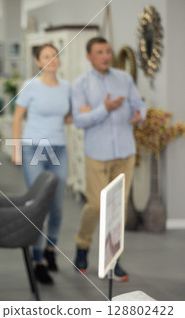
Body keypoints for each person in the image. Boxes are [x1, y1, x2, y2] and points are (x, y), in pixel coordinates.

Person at [72, 37, 146, 281]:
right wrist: (106, 108)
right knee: (96, 205)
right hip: (97, 153)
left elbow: (138, 103)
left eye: (107, 51)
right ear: (89, 56)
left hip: (125, 151)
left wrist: (139, 115)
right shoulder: (80, 84)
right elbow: (80, 120)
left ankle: (114, 260)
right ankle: (82, 246)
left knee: (118, 208)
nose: (105, 55)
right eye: (99, 52)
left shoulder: (123, 79)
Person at [12, 44, 71, 285]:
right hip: (34, 148)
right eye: (47, 56)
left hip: (59, 148)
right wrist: (16, 150)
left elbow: (69, 115)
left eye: (55, 55)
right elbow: (17, 119)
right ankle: (37, 260)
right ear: (38, 62)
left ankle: (50, 249)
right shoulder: (29, 86)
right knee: (39, 205)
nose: (52, 60)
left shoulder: (67, 87)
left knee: (57, 205)